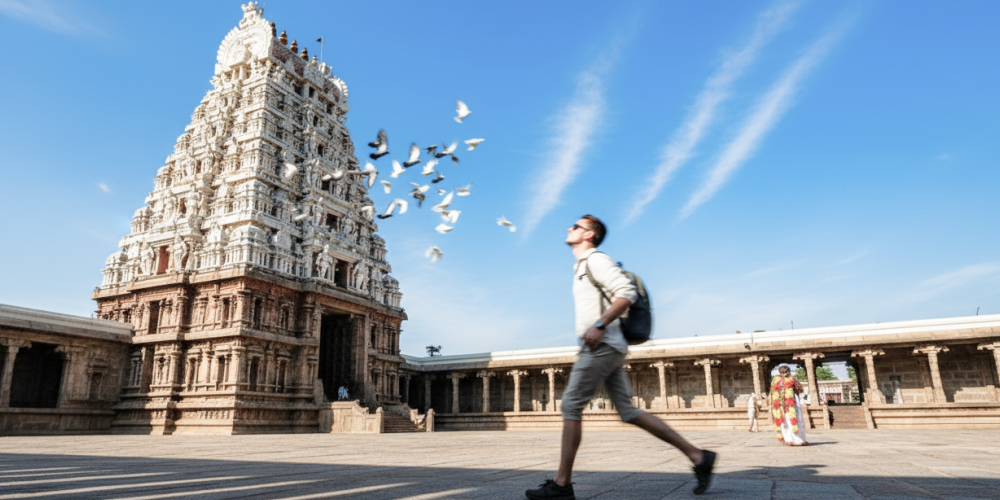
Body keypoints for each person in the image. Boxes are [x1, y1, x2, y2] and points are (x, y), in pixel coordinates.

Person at [525, 215, 716, 500]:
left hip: (602, 346)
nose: (570, 228)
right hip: (609, 346)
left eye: (576, 226)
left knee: (571, 405)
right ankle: (698, 456)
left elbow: (625, 292)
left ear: (588, 234)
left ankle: (562, 485)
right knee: (627, 411)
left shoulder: (596, 260)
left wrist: (600, 325)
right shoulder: (582, 265)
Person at [769, 365, 809, 446]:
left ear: (788, 372)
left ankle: (798, 440)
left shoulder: (792, 379)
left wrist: (793, 391)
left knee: (793, 421)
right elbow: (772, 391)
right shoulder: (776, 379)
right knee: (783, 422)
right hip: (779, 404)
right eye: (782, 372)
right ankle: (788, 439)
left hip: (791, 404)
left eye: (785, 372)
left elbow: (800, 389)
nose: (784, 374)